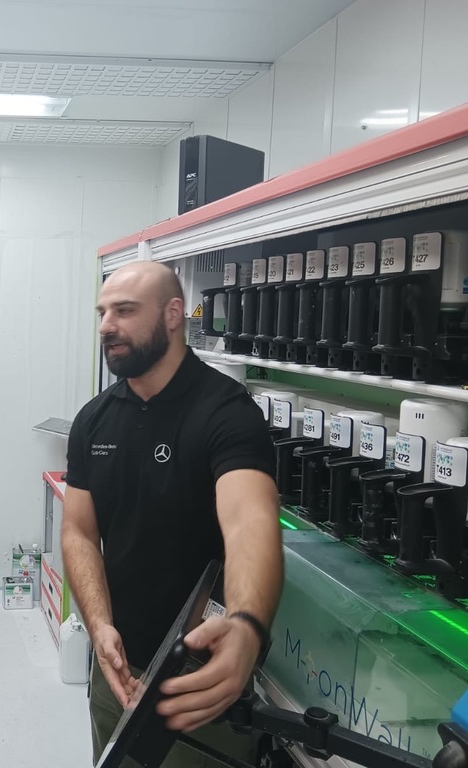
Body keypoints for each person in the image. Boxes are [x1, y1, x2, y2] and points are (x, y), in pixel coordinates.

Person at [61, 261, 283, 767]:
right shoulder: (93, 421)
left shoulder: (226, 412)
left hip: (200, 677)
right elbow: (78, 532)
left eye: (124, 310)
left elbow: (250, 521)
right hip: (116, 668)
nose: (106, 325)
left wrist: (247, 626)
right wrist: (98, 626)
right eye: (102, 313)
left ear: (173, 314)